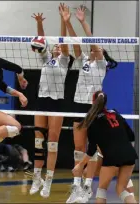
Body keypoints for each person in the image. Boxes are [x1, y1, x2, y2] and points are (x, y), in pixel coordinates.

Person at [59, 4, 118, 203]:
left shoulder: (101, 64)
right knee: (78, 147)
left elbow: (91, 42)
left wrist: (84, 21)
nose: (95, 49)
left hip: (93, 108)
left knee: (92, 149)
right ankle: (76, 186)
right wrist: (67, 23)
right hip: (77, 105)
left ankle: (87, 187)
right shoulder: (83, 60)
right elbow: (77, 42)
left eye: (98, 48)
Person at [29, 8, 74, 198]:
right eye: (54, 46)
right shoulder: (46, 58)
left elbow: (63, 42)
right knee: (39, 141)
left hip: (57, 103)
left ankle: (48, 182)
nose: (56, 47)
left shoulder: (64, 60)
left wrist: (63, 21)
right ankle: (36, 178)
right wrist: (39, 23)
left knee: (52, 143)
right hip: (42, 100)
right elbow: (41, 41)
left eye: (58, 46)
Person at [71, 91, 138, 203]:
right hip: (129, 155)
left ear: (92, 102)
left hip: (112, 157)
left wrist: (80, 165)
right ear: (105, 102)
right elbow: (131, 136)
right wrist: (125, 151)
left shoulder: (92, 121)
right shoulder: (115, 114)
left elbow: (91, 149)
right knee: (121, 189)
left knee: (101, 190)